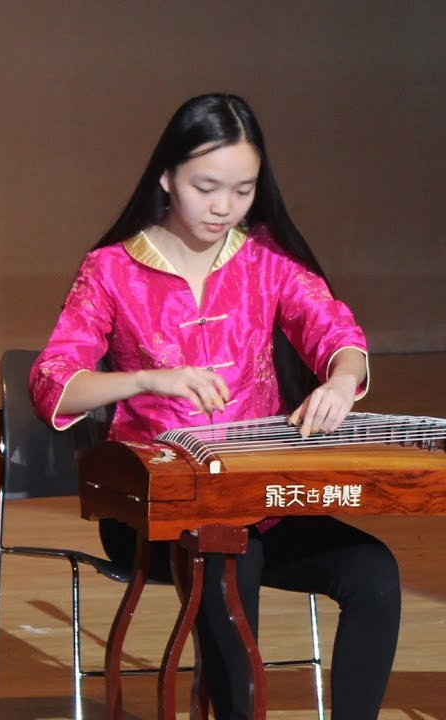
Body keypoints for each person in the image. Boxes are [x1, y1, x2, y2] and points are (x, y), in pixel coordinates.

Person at [28, 92, 401, 719]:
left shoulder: (268, 264)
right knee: (230, 559)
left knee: (374, 573)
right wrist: (148, 380)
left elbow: (340, 337)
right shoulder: (112, 271)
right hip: (156, 509)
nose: (224, 207)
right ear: (167, 177)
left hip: (260, 497)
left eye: (243, 190)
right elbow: (53, 383)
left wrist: (340, 381)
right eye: (207, 187)